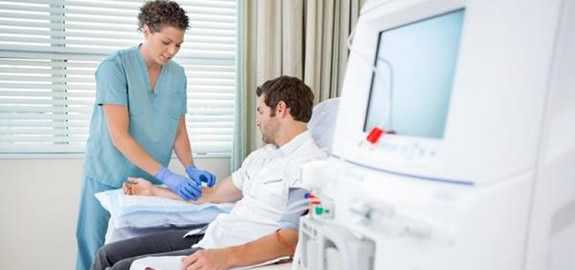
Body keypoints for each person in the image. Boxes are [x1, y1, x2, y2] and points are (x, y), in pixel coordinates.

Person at [91, 75, 326, 270]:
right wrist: (153, 190)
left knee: (121, 267)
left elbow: (289, 240)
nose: (257, 121)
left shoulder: (310, 166)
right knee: (107, 255)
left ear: (281, 109)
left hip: (228, 247)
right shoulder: (262, 157)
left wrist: (224, 257)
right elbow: (211, 195)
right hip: (212, 232)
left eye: (261, 111)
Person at [75, 1, 216, 270]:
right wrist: (167, 176)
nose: (172, 51)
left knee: (135, 256)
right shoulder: (114, 68)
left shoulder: (177, 75)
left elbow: (178, 129)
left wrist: (189, 167)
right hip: (107, 174)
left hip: (146, 181)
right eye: (166, 42)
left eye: (178, 45)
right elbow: (119, 135)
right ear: (147, 30)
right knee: (94, 251)